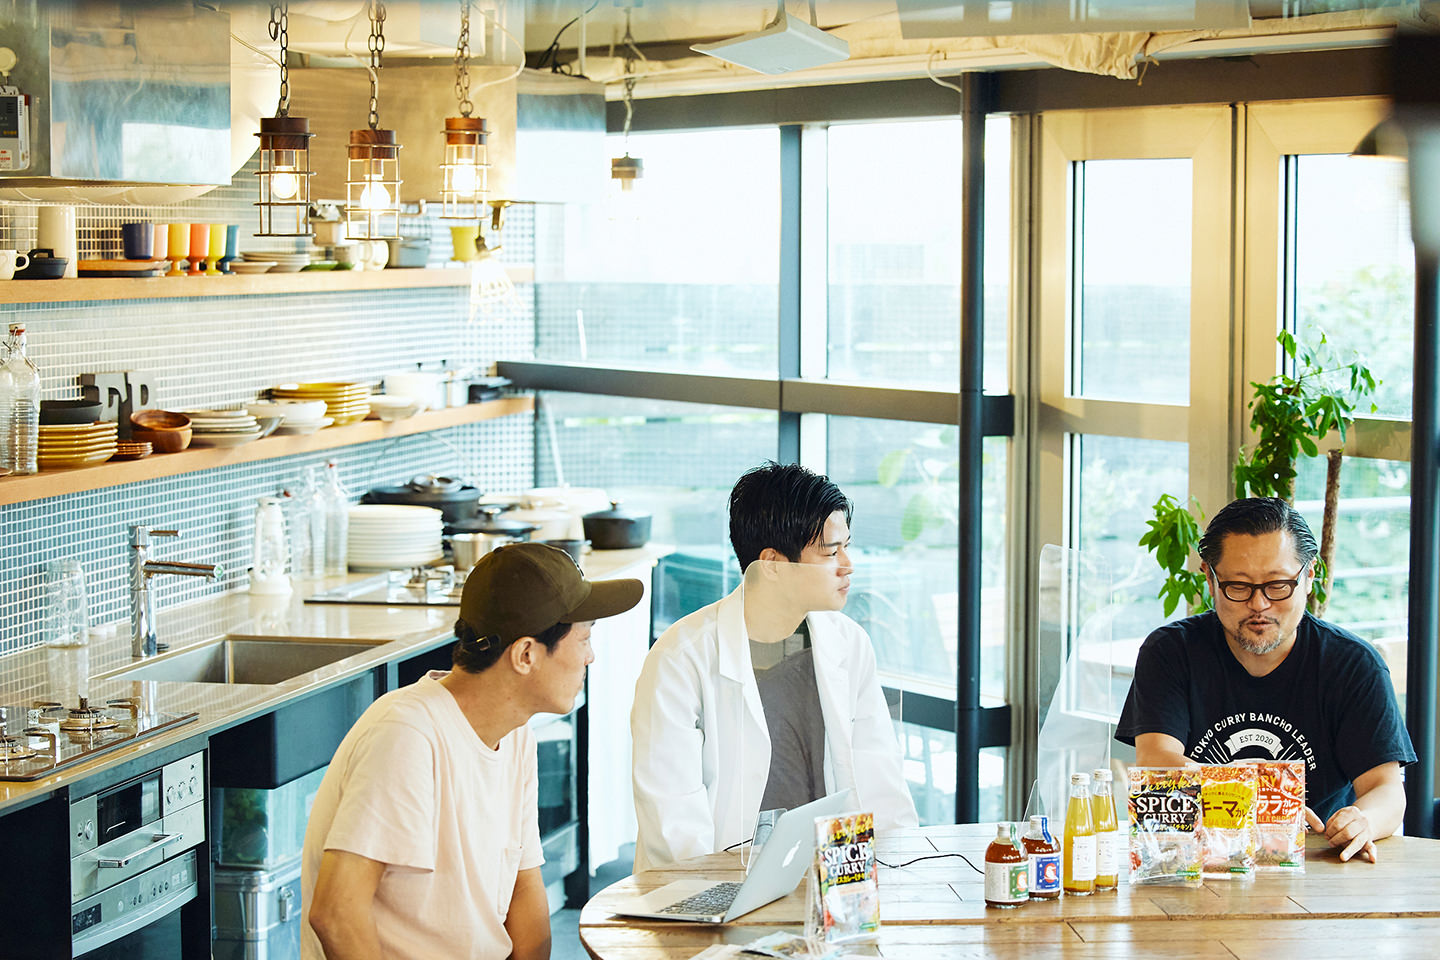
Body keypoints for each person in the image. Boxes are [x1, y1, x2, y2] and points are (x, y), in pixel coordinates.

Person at [302, 543, 642, 959]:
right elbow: (336, 914)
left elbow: (524, 888)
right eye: (584, 639)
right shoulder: (407, 733)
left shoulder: (515, 734)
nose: (591, 656)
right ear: (526, 655)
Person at [630, 461, 918, 871]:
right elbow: (672, 817)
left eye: (846, 547)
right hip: (714, 890)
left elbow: (880, 779)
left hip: (830, 880)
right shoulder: (681, 658)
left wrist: (897, 875)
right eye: (831, 552)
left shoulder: (848, 643)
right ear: (772, 564)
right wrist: (711, 902)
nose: (847, 564)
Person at [1116, 496, 1414, 863]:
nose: (1259, 604)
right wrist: (1266, 801)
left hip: (1314, 862)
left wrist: (1363, 819)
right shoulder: (1171, 651)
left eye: (1277, 586)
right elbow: (1157, 761)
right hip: (1195, 861)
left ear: (1309, 576)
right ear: (1210, 578)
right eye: (1238, 587)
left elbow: (1385, 789)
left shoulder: (1353, 664)